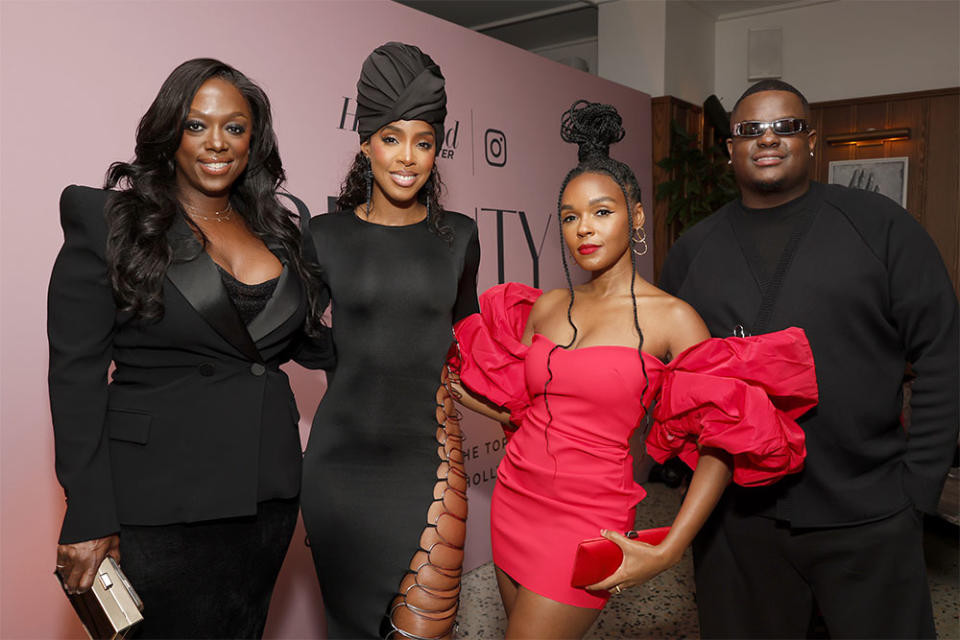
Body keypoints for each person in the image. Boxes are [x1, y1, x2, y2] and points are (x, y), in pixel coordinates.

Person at [449, 100, 818, 639]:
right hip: (513, 499)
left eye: (602, 212)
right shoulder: (546, 307)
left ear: (637, 216)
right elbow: (522, 404)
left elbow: (722, 440)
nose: (584, 230)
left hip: (586, 518)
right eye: (571, 217)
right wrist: (455, 388)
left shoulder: (672, 318)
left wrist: (670, 548)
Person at [661, 79, 959, 639]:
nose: (767, 140)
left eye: (786, 127)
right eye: (750, 130)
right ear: (730, 147)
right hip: (737, 523)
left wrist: (918, 489)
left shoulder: (882, 228)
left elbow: (944, 354)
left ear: (812, 141)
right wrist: (680, 471)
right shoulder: (692, 251)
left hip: (866, 515)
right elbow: (673, 377)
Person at [48, 58, 332, 638]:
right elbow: (74, 380)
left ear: (254, 140)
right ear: (168, 131)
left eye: (234, 126)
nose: (217, 143)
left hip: (265, 498)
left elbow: (298, 343)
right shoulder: (111, 223)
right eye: (196, 125)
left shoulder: (278, 230)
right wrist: (87, 514)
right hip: (157, 505)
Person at [299, 42, 479, 639]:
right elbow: (294, 335)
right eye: (392, 138)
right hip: (340, 469)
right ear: (365, 142)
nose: (408, 158)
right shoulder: (323, 235)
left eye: (423, 142)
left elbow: (469, 344)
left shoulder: (459, 236)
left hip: (426, 465)